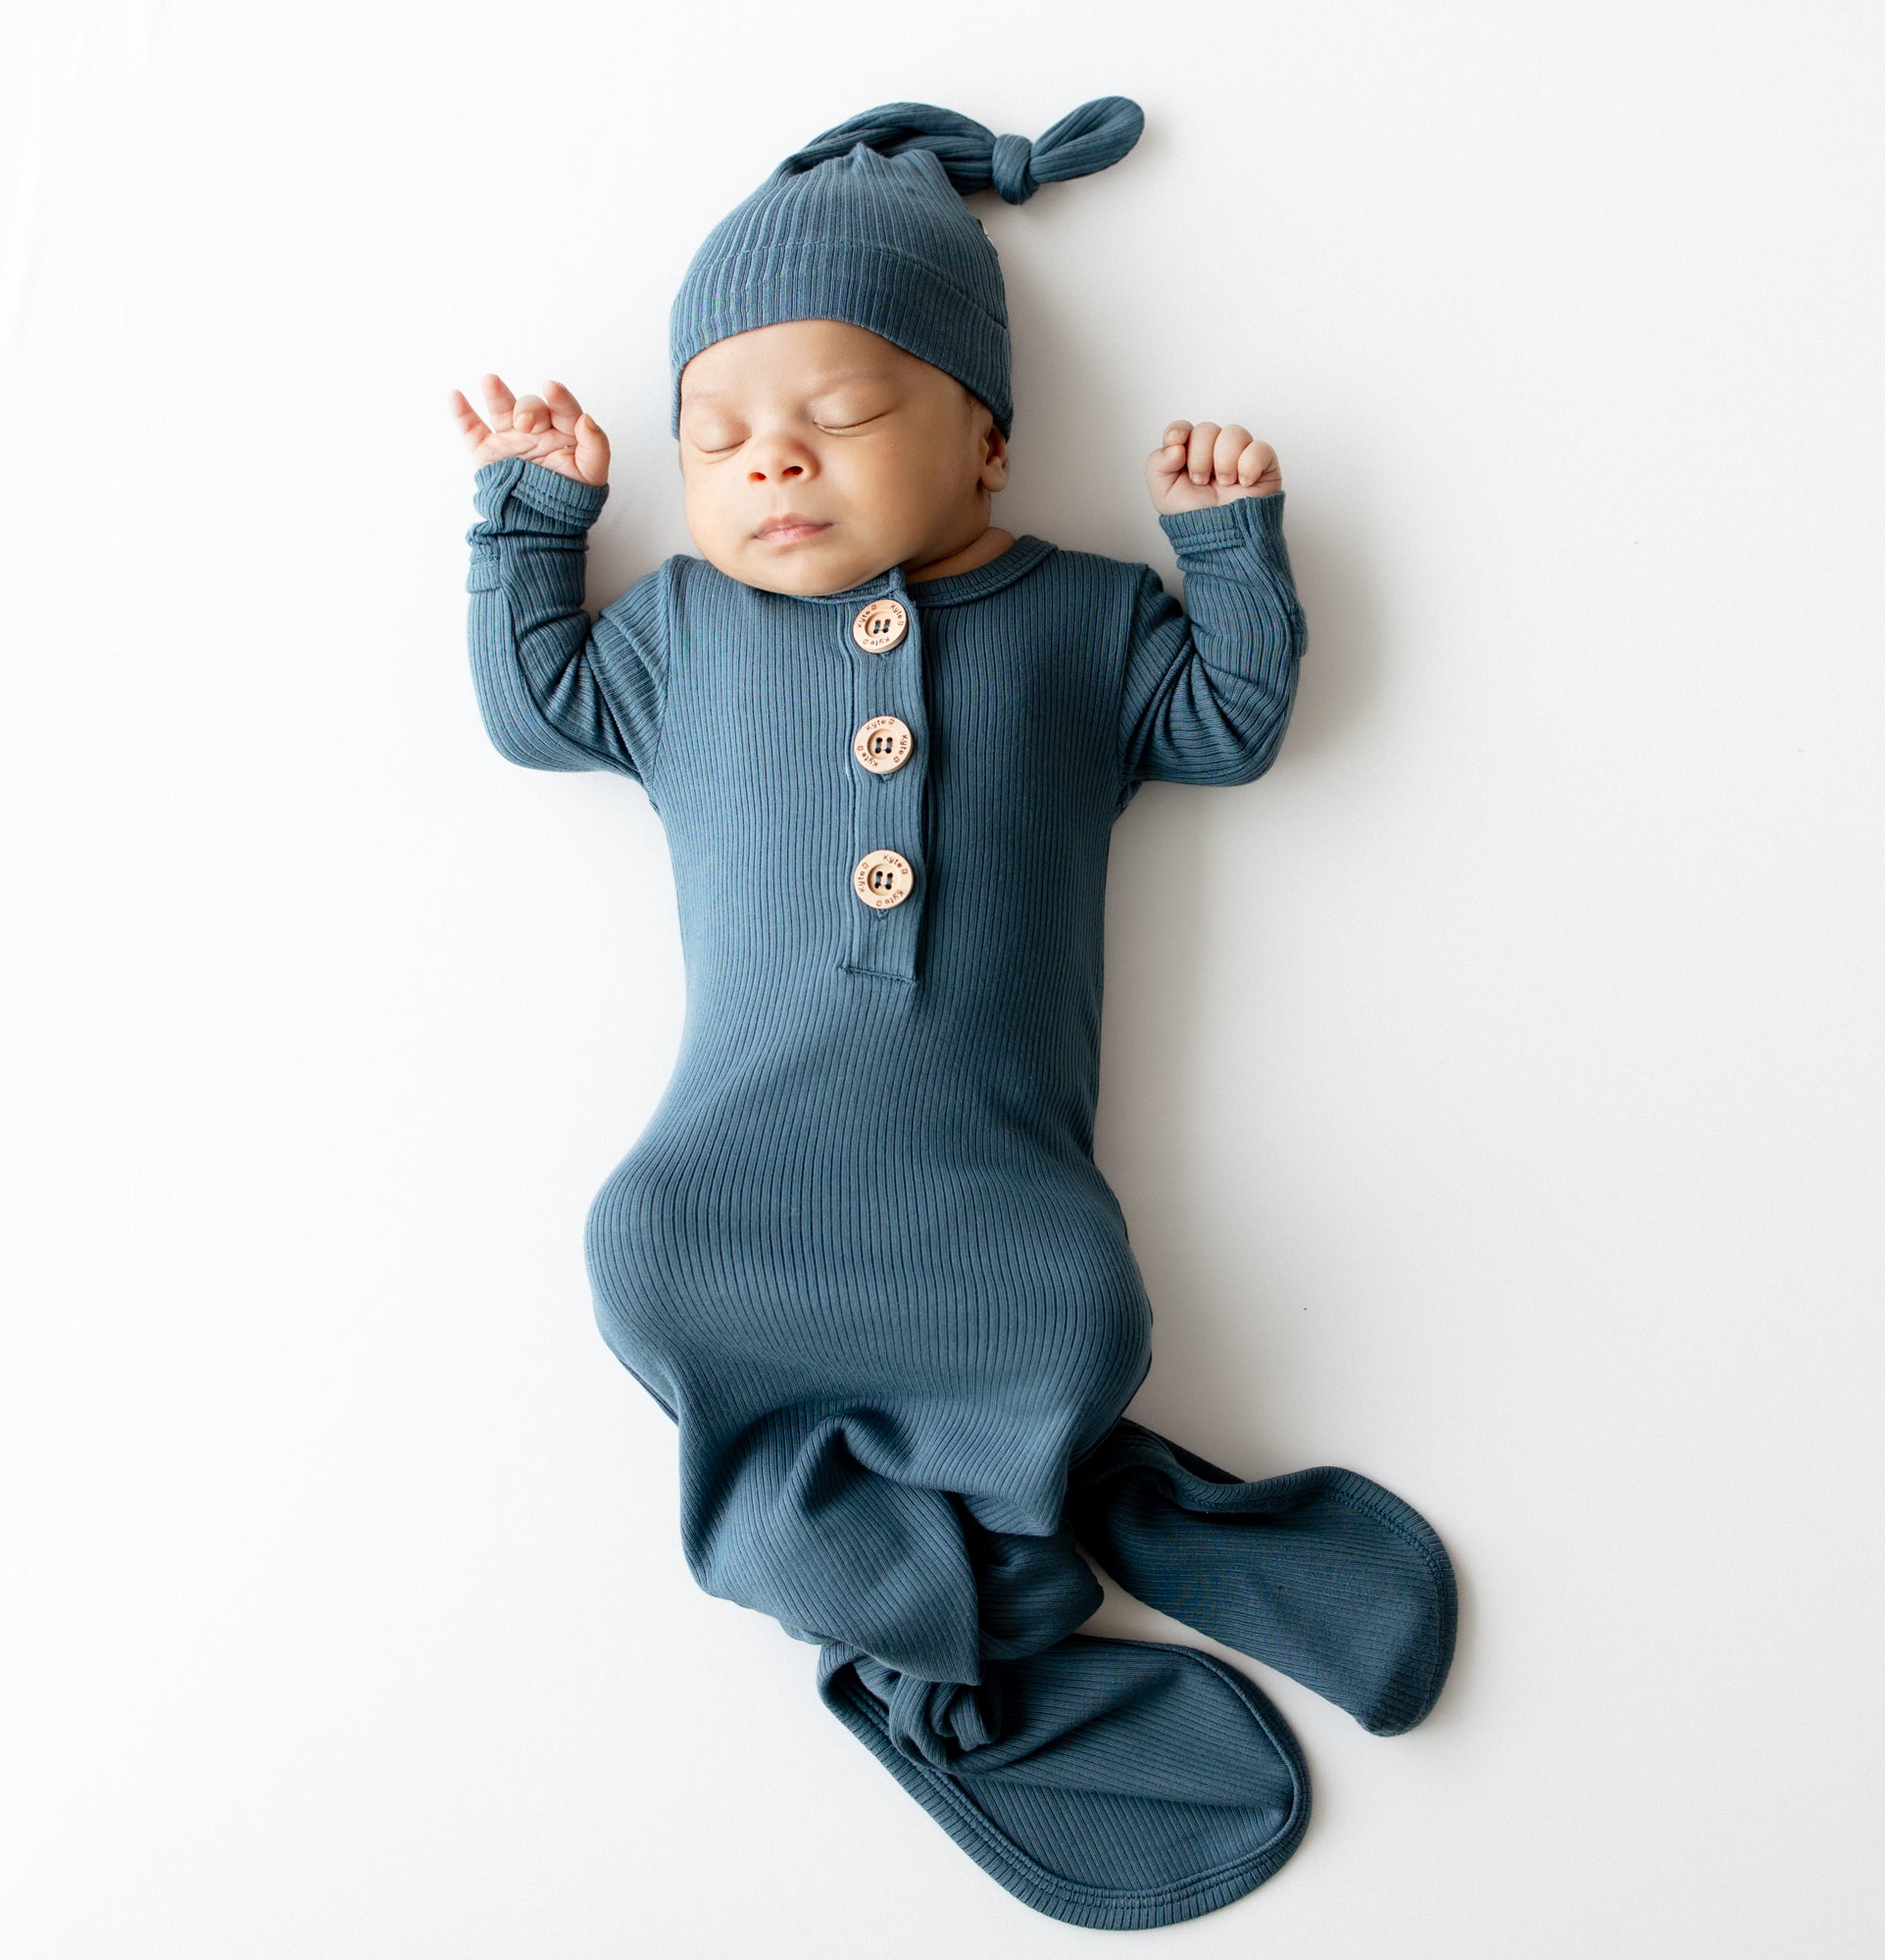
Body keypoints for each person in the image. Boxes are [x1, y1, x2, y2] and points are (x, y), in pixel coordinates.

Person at [448, 98, 1456, 1931]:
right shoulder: (675, 637)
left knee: (1074, 1301)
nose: (769, 466)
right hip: (729, 1183)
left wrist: (1231, 549)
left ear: (985, 440)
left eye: (834, 419)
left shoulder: (1081, 621)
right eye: (718, 440)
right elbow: (535, 707)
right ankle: (974, 1584)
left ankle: (1054, 1496)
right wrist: (536, 513)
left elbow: (1230, 727)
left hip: (996, 1189)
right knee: (636, 1245)